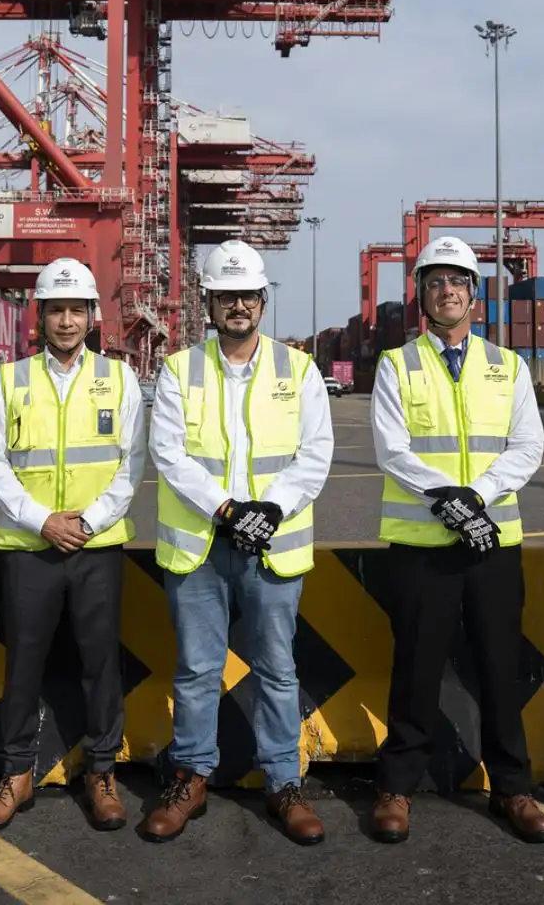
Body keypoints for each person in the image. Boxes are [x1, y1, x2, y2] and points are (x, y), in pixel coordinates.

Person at [139, 240, 334, 845]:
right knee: (197, 670)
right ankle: (191, 777)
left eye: (248, 294)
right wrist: (227, 510)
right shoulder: (179, 369)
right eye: (227, 295)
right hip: (200, 545)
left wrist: (268, 511)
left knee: (277, 669)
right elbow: (168, 452)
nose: (239, 304)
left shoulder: (298, 370)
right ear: (209, 303)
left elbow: (315, 453)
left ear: (263, 300)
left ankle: (283, 782)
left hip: (271, 547)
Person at [367, 236, 544, 844]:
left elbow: (528, 447)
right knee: (414, 668)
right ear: (421, 294)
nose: (448, 291)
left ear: (475, 295)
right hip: (422, 544)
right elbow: (392, 451)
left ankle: (513, 788)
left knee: (501, 667)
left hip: (492, 541)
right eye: (436, 281)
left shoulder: (508, 365)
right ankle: (397, 788)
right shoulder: (397, 364)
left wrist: (478, 496)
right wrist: (447, 498)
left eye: (459, 282)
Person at [0, 256, 147, 834]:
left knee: (101, 665)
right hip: (29, 545)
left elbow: (131, 464)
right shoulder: (10, 378)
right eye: (56, 310)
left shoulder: (120, 379)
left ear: (92, 317)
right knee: (22, 665)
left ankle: (101, 772)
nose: (66, 321)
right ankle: (15, 773)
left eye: (76, 310)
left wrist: (88, 523)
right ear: (38, 316)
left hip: (95, 548)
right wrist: (43, 520)